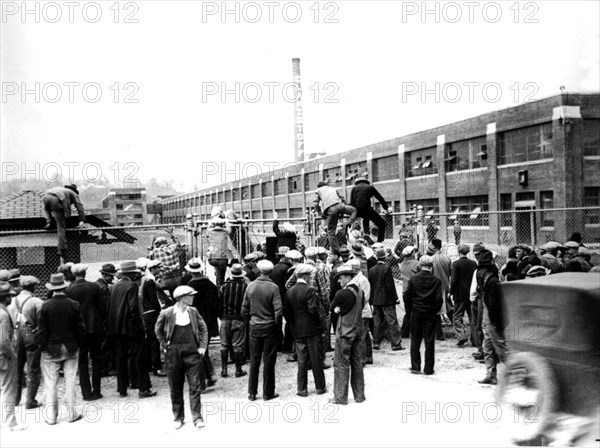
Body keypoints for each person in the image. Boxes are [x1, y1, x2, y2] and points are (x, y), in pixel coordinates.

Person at [155, 285, 208, 429]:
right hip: (173, 354)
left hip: (192, 353)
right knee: (175, 387)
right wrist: (164, 345)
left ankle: (197, 418)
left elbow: (203, 328)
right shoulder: (167, 313)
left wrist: (202, 347)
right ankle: (178, 417)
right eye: (190, 296)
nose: (193, 298)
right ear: (182, 298)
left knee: (195, 387)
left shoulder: (194, 311)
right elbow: (158, 330)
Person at [37, 273, 86, 424]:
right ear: (64, 288)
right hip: (70, 347)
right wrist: (79, 344)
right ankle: (72, 414)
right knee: (70, 381)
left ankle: (52, 417)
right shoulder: (74, 304)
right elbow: (80, 329)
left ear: (52, 288)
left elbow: (42, 331)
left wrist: (43, 347)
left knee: (50, 383)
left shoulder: (44, 306)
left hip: (51, 349)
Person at [106, 261, 157, 399]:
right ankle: (143, 389)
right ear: (131, 274)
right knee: (139, 357)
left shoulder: (114, 286)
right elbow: (133, 308)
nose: (137, 275)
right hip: (130, 328)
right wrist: (140, 326)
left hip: (116, 328)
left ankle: (122, 389)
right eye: (136, 273)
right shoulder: (132, 286)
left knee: (120, 357)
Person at [242, 260, 282, 401]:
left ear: (258, 271)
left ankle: (252, 392)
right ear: (270, 272)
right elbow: (278, 311)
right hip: (269, 326)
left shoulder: (251, 286)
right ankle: (267, 393)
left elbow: (244, 309)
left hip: (255, 326)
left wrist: (250, 322)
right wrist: (278, 328)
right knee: (269, 360)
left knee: (254, 359)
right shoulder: (273, 288)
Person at [284, 264, 327, 397]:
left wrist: (294, 323)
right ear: (305, 276)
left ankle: (302, 389)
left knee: (301, 361)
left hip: (297, 330)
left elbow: (287, 313)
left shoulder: (289, 291)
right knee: (315, 359)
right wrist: (320, 326)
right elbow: (313, 310)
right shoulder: (309, 290)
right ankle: (320, 387)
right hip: (312, 330)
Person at [65, 264, 105, 401]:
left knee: (82, 361)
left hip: (79, 330)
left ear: (74, 274)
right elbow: (102, 307)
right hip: (94, 327)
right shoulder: (94, 287)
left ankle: (86, 393)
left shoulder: (69, 289)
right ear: (85, 273)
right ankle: (97, 390)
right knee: (96, 359)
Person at [329, 265, 365, 405]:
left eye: (341, 278)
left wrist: (338, 310)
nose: (339, 281)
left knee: (341, 364)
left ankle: (340, 397)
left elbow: (332, 308)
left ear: (348, 277)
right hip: (358, 330)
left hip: (344, 332)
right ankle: (359, 395)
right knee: (357, 363)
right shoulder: (360, 291)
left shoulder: (341, 294)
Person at [404, 256, 443, 375]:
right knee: (429, 340)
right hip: (430, 313)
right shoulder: (436, 280)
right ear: (431, 267)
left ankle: (415, 366)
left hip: (416, 312)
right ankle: (428, 368)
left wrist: (411, 310)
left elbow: (407, 296)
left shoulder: (413, 279)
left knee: (415, 339)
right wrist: (433, 310)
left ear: (420, 266)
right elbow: (438, 300)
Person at [10, 276, 43, 409]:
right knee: (33, 369)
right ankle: (30, 401)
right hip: (31, 336)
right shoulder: (37, 301)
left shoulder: (11, 301)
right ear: (33, 287)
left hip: (15, 336)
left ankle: (15, 400)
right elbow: (42, 322)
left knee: (16, 369)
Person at [185, 259, 219, 390]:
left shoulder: (190, 286)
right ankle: (209, 375)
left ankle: (202, 382)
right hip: (209, 321)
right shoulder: (210, 284)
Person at [477, 250, 508, 385]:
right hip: (488, 321)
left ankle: (518, 374)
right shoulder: (487, 282)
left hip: (493, 322)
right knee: (488, 348)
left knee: (501, 350)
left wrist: (496, 324)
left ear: (485, 270)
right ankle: (491, 374)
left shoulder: (493, 283)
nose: (478, 272)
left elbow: (495, 307)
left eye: (480, 269)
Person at [0, 283, 26, 431]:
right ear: (4, 297)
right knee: (8, 389)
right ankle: (10, 422)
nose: (11, 297)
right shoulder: (3, 314)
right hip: (4, 357)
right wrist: (11, 354)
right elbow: (3, 340)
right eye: (9, 295)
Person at [369, 247, 403, 351]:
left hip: (375, 299)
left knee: (377, 322)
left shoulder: (371, 270)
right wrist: (395, 298)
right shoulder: (387, 269)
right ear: (385, 258)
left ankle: (375, 343)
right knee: (392, 321)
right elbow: (390, 286)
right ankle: (396, 344)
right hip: (387, 300)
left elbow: (371, 285)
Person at [41, 184, 85, 261]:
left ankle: (49, 222)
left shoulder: (60, 189)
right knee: (61, 226)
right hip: (55, 200)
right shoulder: (73, 193)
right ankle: (62, 250)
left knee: (46, 209)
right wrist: (81, 221)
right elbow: (79, 206)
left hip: (45, 197)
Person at [218, 263, 248, 378]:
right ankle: (238, 370)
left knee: (224, 344)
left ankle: (224, 370)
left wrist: (222, 316)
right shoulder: (245, 287)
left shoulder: (224, 286)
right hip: (239, 318)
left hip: (226, 318)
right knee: (238, 345)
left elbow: (219, 303)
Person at [313, 180, 357, 256]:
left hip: (331, 209)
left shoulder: (318, 190)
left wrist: (320, 213)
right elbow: (342, 199)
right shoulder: (332, 188)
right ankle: (348, 223)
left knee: (331, 232)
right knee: (354, 210)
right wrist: (342, 212)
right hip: (340, 205)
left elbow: (315, 204)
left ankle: (338, 251)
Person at [141, 259, 166, 377]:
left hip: (147, 312)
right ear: (153, 269)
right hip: (151, 312)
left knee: (150, 340)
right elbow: (153, 299)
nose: (160, 270)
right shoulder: (150, 282)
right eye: (158, 268)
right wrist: (160, 310)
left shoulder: (148, 281)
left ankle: (149, 364)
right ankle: (157, 367)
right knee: (155, 339)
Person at [350, 177, 392, 243]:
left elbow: (352, 202)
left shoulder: (354, 188)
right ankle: (379, 242)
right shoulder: (369, 187)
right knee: (382, 224)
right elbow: (380, 198)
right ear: (366, 182)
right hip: (367, 210)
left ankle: (366, 234)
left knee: (365, 218)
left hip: (356, 211)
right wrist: (386, 208)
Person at [450, 245, 477, 347]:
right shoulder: (473, 263)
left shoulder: (456, 264)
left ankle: (462, 336)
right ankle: (475, 340)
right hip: (471, 293)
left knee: (457, 316)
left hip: (459, 293)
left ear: (459, 252)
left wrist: (451, 292)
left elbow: (453, 280)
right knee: (472, 317)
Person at [96, 263, 116, 377]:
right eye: (110, 276)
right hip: (104, 321)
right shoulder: (104, 288)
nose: (112, 278)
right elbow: (106, 307)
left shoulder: (97, 284)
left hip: (98, 321)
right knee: (105, 345)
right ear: (104, 275)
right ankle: (104, 369)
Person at [151, 227, 183, 297]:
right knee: (175, 295)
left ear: (158, 245)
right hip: (177, 278)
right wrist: (171, 234)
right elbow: (178, 244)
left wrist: (151, 243)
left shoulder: (155, 251)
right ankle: (175, 303)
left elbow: (150, 256)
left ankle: (167, 303)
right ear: (166, 243)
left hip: (164, 280)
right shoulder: (173, 247)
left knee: (155, 287)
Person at [207, 218, 236, 287]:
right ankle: (221, 287)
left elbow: (208, 227)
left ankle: (217, 278)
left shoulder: (210, 231)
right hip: (222, 259)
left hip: (212, 259)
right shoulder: (225, 231)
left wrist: (210, 222)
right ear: (223, 224)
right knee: (222, 278)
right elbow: (229, 229)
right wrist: (226, 221)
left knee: (217, 270)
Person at [399, 246, 420, 338]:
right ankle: (416, 331)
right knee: (417, 312)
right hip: (415, 290)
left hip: (405, 291)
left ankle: (404, 332)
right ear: (412, 253)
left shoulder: (403, 263)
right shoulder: (417, 263)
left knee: (408, 312)